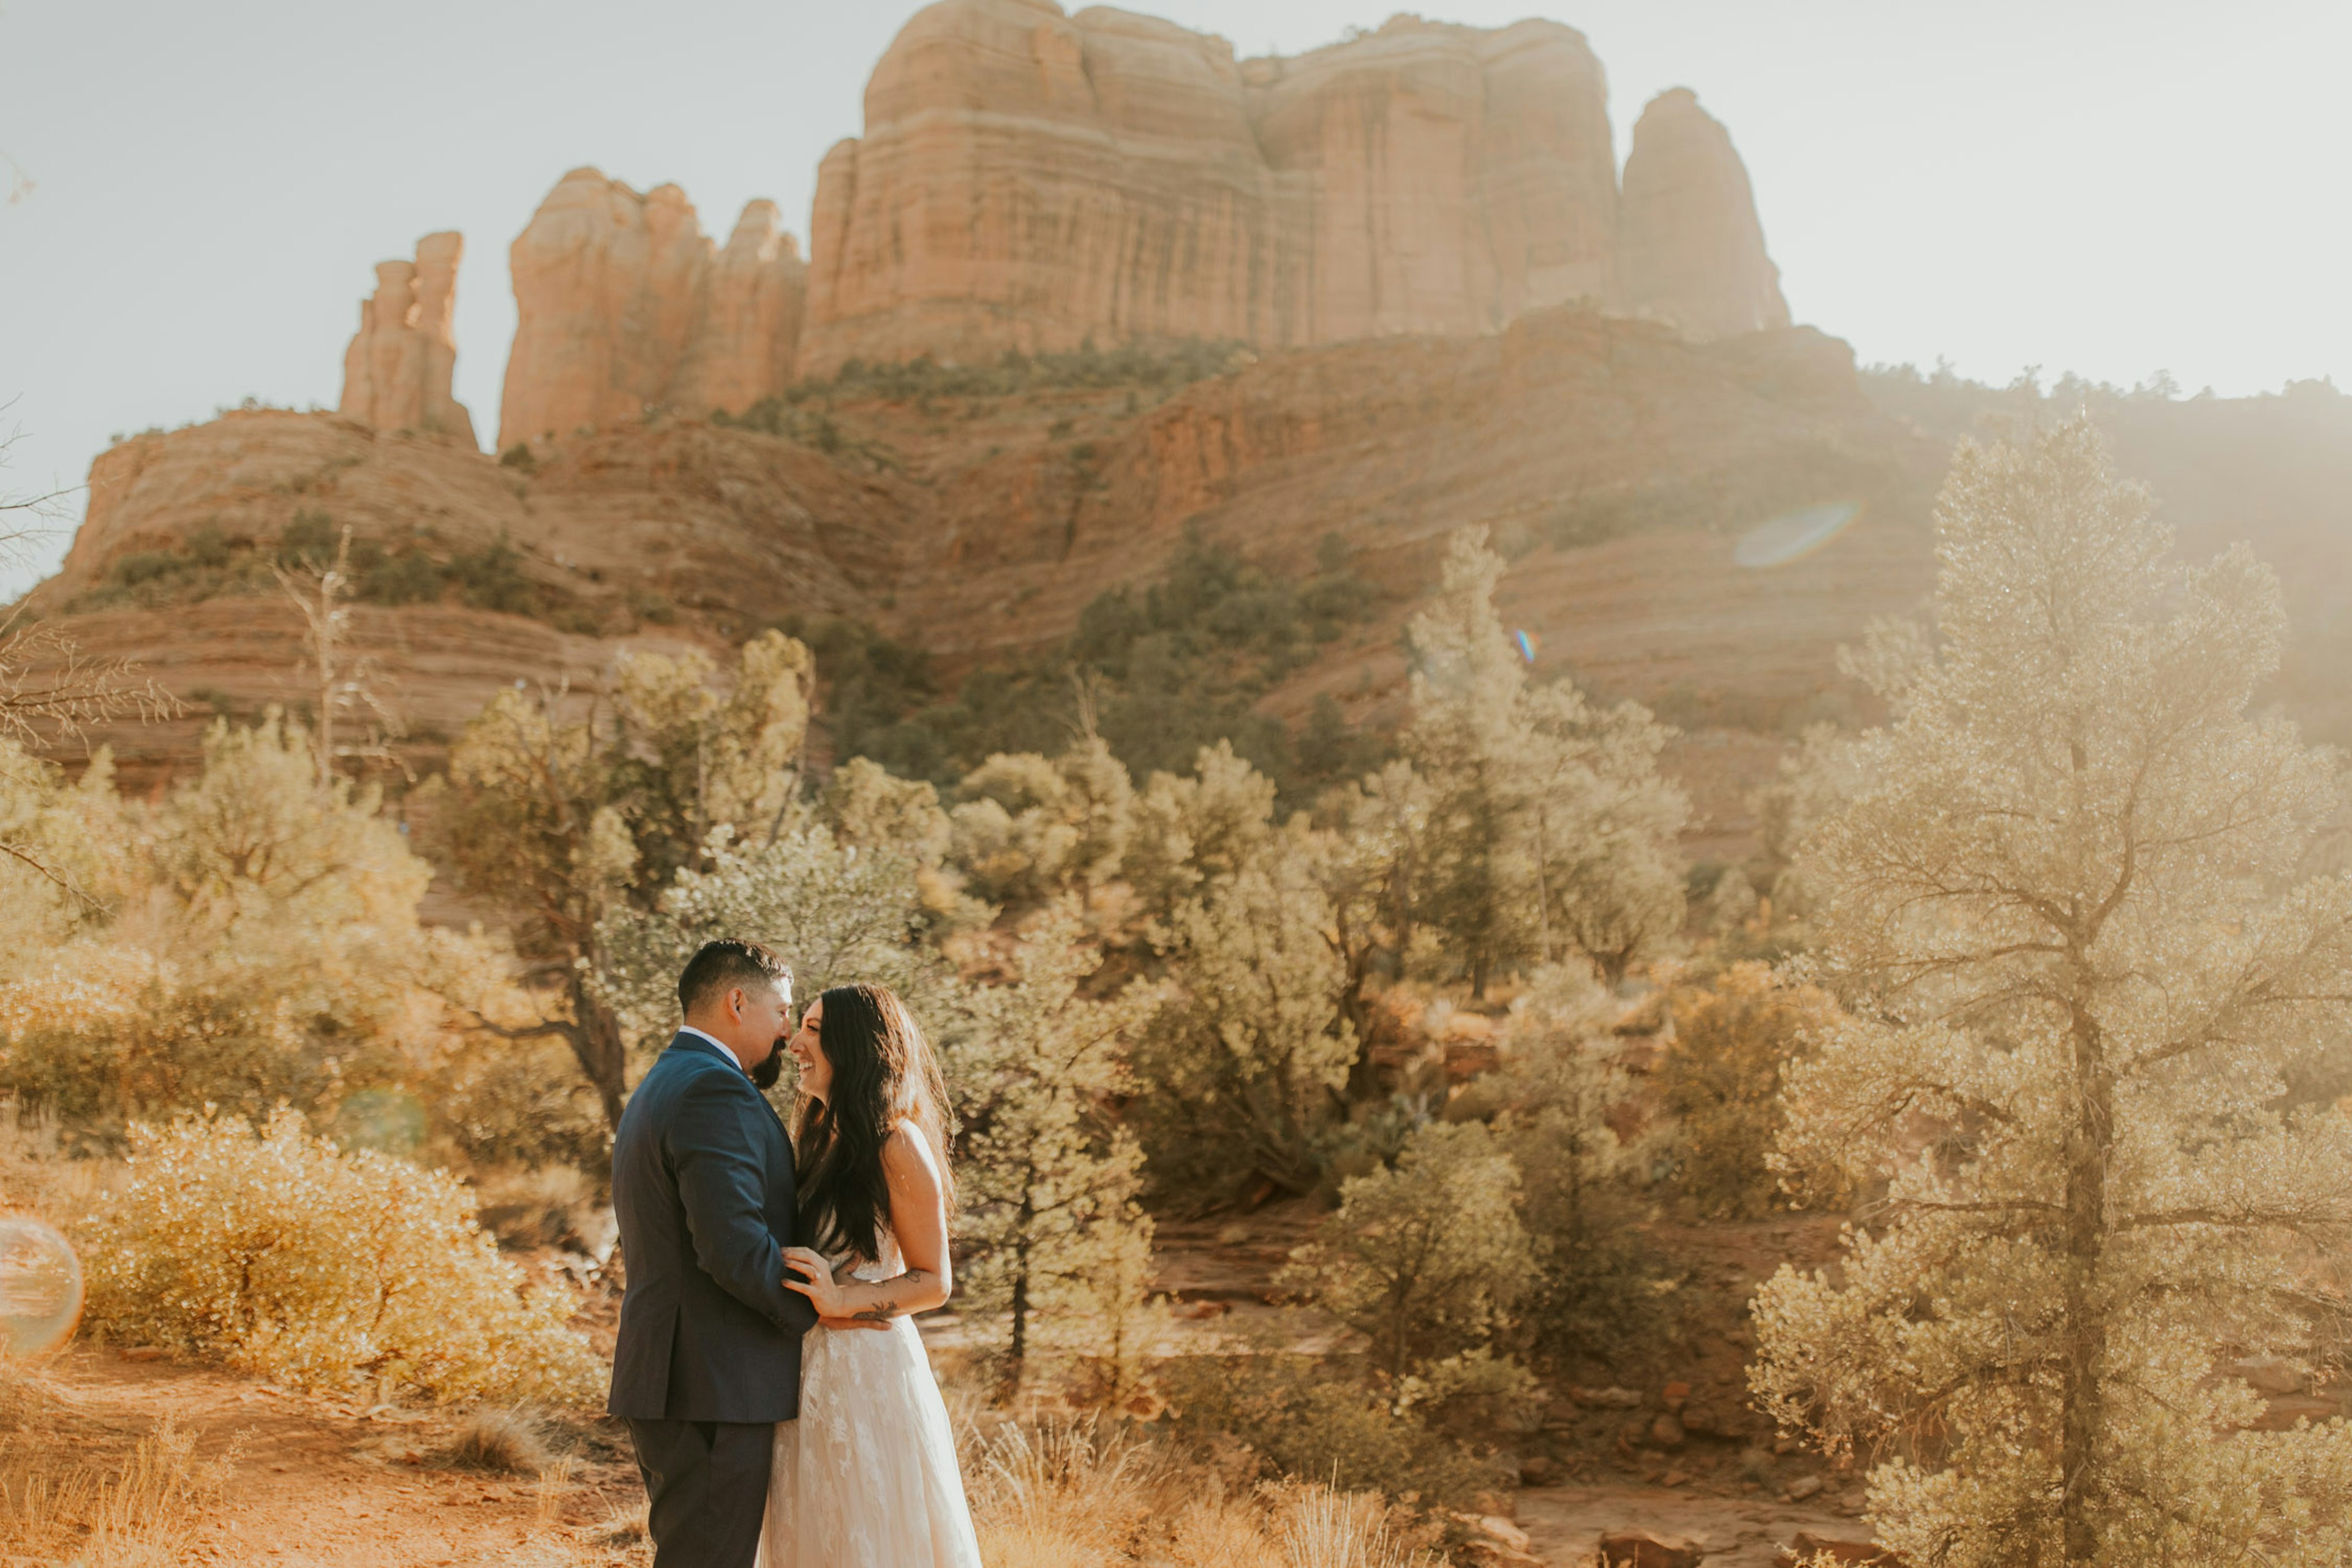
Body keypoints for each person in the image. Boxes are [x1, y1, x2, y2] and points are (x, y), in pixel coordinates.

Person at [609, 941, 874, 1568]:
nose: (788, 1030)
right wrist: (818, 1315)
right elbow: (730, 1247)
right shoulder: (712, 1090)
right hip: (711, 1381)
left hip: (687, 1376)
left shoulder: (670, 1077)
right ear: (737, 1001)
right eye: (783, 1010)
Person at [761, 982, 982, 1568]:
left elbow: (935, 1281)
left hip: (867, 1376)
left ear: (856, 1046)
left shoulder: (897, 1143)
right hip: (804, 1373)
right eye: (799, 1024)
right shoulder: (813, 1132)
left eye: (813, 1029)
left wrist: (841, 1302)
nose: (795, 1042)